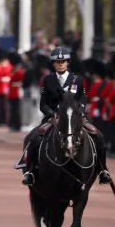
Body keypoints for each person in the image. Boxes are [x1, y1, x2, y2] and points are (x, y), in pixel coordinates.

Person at [20, 46, 111, 186]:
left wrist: (78, 113)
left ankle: (103, 170)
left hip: (74, 118)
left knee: (98, 135)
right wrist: (53, 114)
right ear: (54, 64)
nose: (61, 64)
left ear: (68, 63)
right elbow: (43, 105)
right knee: (33, 137)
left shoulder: (77, 80)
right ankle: (30, 172)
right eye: (57, 61)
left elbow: (83, 100)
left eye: (63, 61)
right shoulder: (48, 80)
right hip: (54, 117)